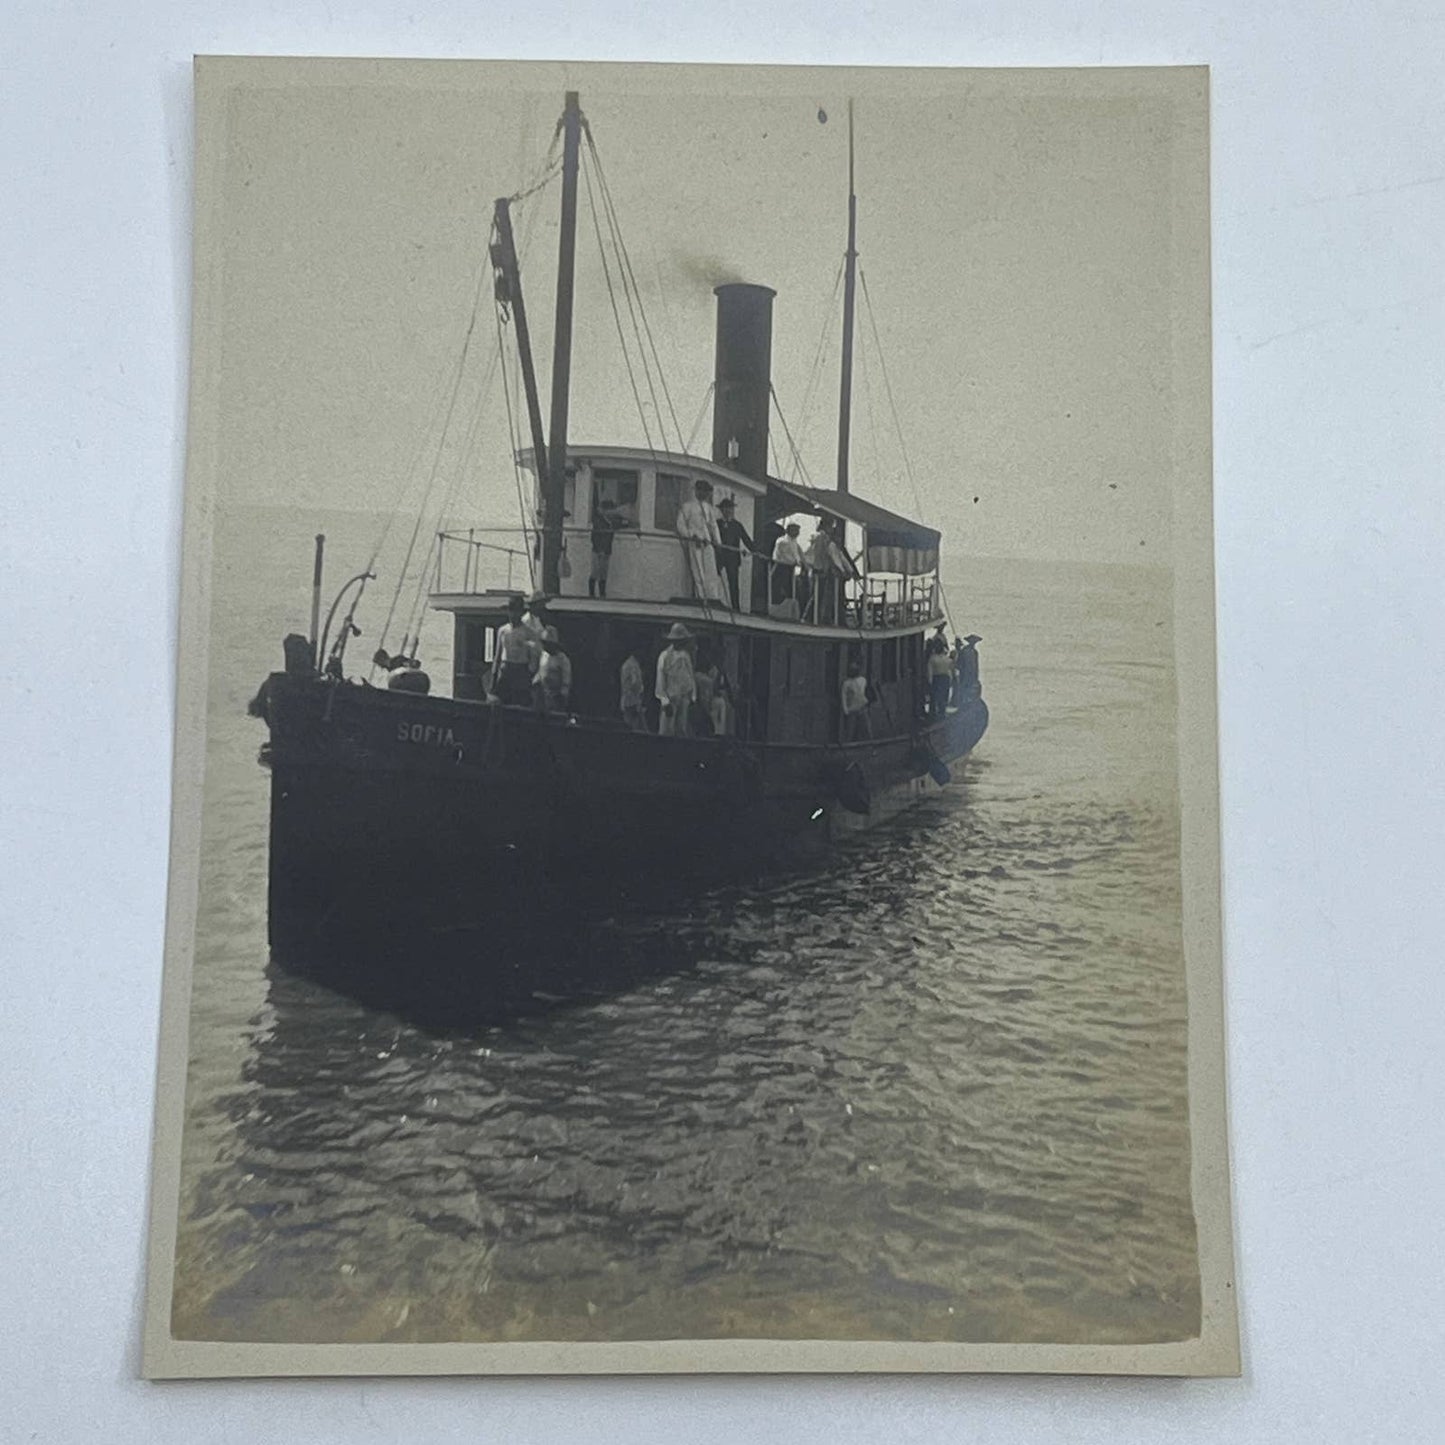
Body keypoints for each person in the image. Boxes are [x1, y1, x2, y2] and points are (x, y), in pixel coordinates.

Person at [676, 478, 725, 603]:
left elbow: (714, 526)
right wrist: (691, 535)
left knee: (711, 570)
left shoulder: (709, 508)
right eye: (702, 491)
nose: (704, 494)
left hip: (707, 542)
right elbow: (680, 525)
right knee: (698, 571)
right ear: (696, 491)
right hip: (695, 541)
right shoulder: (687, 506)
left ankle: (712, 597)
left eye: (706, 491)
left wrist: (718, 543)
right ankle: (701, 597)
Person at [491, 594, 539, 705]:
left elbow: (533, 657)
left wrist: (528, 675)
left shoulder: (529, 632)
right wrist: (493, 678)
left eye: (516, 611)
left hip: (521, 670)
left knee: (520, 703)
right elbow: (497, 656)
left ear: (521, 613)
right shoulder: (503, 630)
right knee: (498, 703)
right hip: (505, 670)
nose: (513, 614)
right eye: (511, 610)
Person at [654, 621, 697, 737]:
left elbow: (690, 677)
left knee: (681, 730)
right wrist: (664, 700)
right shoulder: (665, 656)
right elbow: (661, 679)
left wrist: (692, 697)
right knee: (666, 731)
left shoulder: (686, 655)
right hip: (671, 698)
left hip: (684, 699)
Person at [714, 497, 754, 612]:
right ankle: (715, 603)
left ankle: (736, 608)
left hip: (733, 558)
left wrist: (754, 551)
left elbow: (746, 540)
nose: (728, 511)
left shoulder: (737, 525)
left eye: (730, 509)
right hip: (719, 556)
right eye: (725, 509)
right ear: (721, 510)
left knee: (733, 583)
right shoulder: (717, 524)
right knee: (714, 579)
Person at [533, 626, 571, 713]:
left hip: (556, 696)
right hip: (543, 694)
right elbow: (540, 671)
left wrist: (562, 694)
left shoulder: (563, 659)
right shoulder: (543, 655)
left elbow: (566, 679)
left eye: (547, 643)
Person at [770, 522, 806, 610]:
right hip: (781, 567)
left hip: (791, 569)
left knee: (793, 590)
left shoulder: (795, 543)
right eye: (794, 529)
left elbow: (799, 556)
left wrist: (803, 564)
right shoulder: (782, 541)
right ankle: (775, 609)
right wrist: (795, 562)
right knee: (779, 588)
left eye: (798, 530)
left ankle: (789, 610)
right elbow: (784, 556)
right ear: (788, 530)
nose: (797, 532)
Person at [589, 503, 619, 597]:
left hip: (606, 550)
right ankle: (592, 593)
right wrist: (600, 550)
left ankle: (601, 593)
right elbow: (595, 537)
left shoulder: (610, 522)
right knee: (596, 571)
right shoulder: (599, 522)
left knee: (603, 572)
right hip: (599, 550)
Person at [840, 658, 871, 742]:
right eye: (852, 669)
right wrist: (846, 710)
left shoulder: (862, 680)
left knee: (866, 730)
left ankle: (869, 747)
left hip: (862, 708)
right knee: (850, 731)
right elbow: (844, 697)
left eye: (855, 669)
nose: (854, 670)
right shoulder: (846, 684)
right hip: (852, 710)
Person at [926, 634, 953, 717]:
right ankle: (942, 712)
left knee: (934, 697)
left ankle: (933, 713)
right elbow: (951, 671)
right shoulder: (947, 659)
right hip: (946, 679)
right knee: (944, 696)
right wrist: (951, 680)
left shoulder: (932, 658)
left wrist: (929, 682)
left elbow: (929, 672)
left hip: (937, 679)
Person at [619, 650, 646, 731]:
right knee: (633, 728)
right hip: (632, 702)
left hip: (629, 700)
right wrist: (641, 693)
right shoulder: (632, 665)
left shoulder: (629, 664)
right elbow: (635, 684)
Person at [953, 633, 982, 704]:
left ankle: (965, 701)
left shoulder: (973, 652)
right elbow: (959, 664)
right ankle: (963, 702)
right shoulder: (966, 651)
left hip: (970, 675)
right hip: (966, 674)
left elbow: (976, 666)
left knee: (967, 689)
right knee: (964, 689)